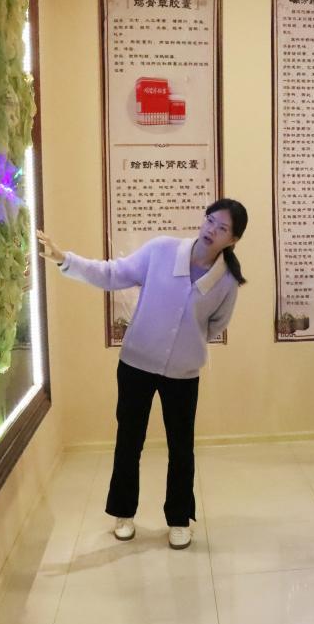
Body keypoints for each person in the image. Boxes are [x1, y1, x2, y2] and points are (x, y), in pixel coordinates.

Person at [36, 198, 248, 550]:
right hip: (136, 363)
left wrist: (184, 344)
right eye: (210, 220)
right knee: (129, 440)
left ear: (233, 240)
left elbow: (215, 325)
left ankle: (179, 519)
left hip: (183, 373)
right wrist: (65, 259)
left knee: (181, 447)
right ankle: (123, 513)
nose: (212, 230)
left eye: (222, 228)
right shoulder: (162, 250)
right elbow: (112, 274)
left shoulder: (226, 281)